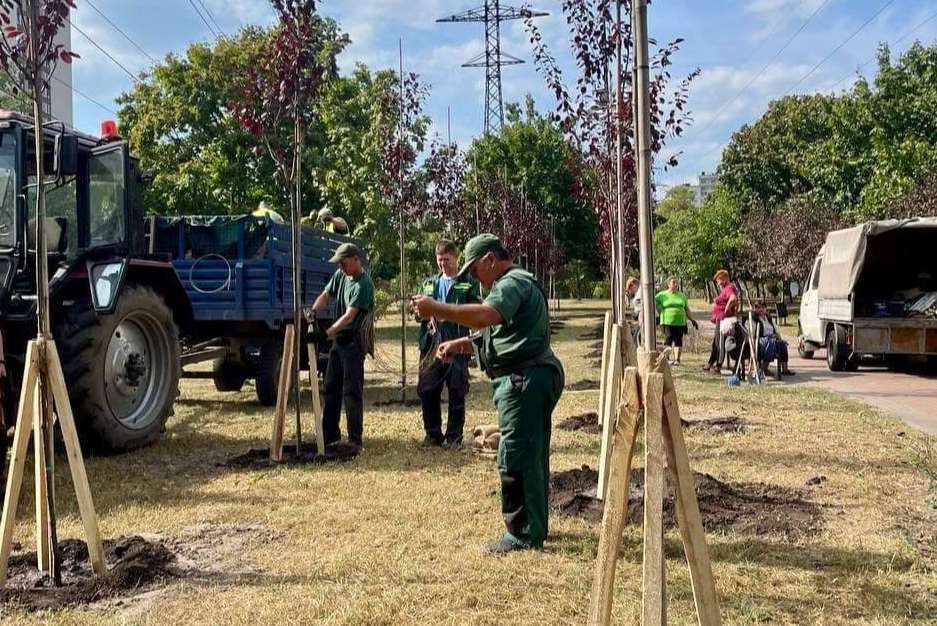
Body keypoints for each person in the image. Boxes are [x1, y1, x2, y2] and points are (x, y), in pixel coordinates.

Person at [411, 234, 564, 554]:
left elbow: (484, 317)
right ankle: (535, 525)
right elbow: (497, 333)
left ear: (491, 260)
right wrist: (459, 345)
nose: (473, 277)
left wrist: (435, 308)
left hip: (524, 380)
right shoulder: (515, 285)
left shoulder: (511, 284)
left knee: (515, 457)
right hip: (528, 378)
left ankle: (521, 534)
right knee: (531, 456)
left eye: (475, 270)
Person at [309, 243, 374, 451]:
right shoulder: (341, 276)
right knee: (331, 387)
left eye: (344, 263)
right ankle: (329, 434)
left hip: (354, 341)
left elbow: (349, 317)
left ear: (356, 260)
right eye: (339, 265)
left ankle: (355, 439)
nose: (341, 268)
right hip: (339, 341)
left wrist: (325, 334)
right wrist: (312, 311)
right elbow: (326, 295)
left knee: (351, 390)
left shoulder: (364, 284)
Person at [417, 239, 480, 448]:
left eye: (447, 259)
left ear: (456, 257)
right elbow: (416, 312)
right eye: (439, 260)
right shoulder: (428, 284)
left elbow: (476, 312)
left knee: (456, 390)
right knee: (427, 390)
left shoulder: (468, 284)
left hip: (457, 345)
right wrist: (419, 312)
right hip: (431, 347)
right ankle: (432, 434)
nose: (443, 264)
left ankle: (454, 436)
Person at [655, 277, 698, 366]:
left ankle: (677, 360)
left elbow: (686, 308)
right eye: (673, 282)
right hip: (667, 321)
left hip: (680, 321)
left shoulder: (682, 295)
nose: (675, 284)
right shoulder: (662, 295)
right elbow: (653, 302)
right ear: (668, 284)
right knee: (668, 338)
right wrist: (658, 310)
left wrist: (692, 319)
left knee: (678, 340)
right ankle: (666, 359)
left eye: (677, 283)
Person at [704, 269, 739, 374]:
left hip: (724, 320)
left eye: (718, 281)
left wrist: (727, 308)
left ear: (724, 279)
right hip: (720, 319)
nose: (718, 283)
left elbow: (733, 298)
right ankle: (711, 362)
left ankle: (718, 366)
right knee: (715, 342)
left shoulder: (729, 287)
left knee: (720, 343)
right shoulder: (726, 289)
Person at [753, 302, 795, 376]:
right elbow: (752, 333)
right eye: (758, 308)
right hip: (761, 340)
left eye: (763, 308)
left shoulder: (769, 319)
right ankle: (764, 368)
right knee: (771, 343)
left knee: (782, 344)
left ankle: (784, 369)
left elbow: (776, 331)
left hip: (772, 338)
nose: (761, 310)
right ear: (755, 309)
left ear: (766, 309)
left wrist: (779, 338)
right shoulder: (754, 319)